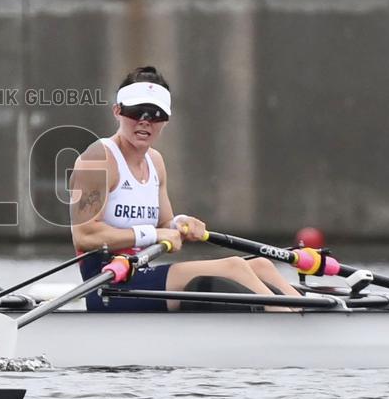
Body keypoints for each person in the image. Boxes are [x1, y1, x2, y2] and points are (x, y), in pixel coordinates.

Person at [69, 66, 302, 312]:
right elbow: (86, 235)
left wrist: (182, 223)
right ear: (117, 111)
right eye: (136, 111)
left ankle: (303, 317)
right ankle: (285, 325)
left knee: (262, 265)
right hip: (106, 285)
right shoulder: (98, 159)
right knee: (234, 267)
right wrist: (154, 235)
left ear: (166, 120)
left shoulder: (155, 162)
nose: (145, 121)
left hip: (140, 274)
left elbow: (165, 225)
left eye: (156, 114)